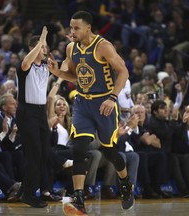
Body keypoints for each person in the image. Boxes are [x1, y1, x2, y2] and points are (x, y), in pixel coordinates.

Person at [48, 11, 134, 215]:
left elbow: (123, 72)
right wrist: (57, 72)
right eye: (70, 27)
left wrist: (112, 98)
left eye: (76, 28)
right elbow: (76, 77)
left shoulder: (103, 46)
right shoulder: (71, 48)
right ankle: (79, 198)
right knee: (79, 148)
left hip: (104, 103)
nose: (72, 31)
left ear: (88, 28)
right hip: (82, 104)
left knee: (110, 151)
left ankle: (125, 182)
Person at [15, 26, 50, 208]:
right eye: (43, 47)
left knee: (44, 154)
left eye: (45, 47)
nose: (45, 50)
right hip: (26, 112)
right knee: (34, 154)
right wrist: (41, 38)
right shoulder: (24, 67)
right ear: (33, 48)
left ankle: (24, 189)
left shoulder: (46, 66)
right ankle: (29, 194)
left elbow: (66, 67)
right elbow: (26, 62)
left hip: (41, 113)